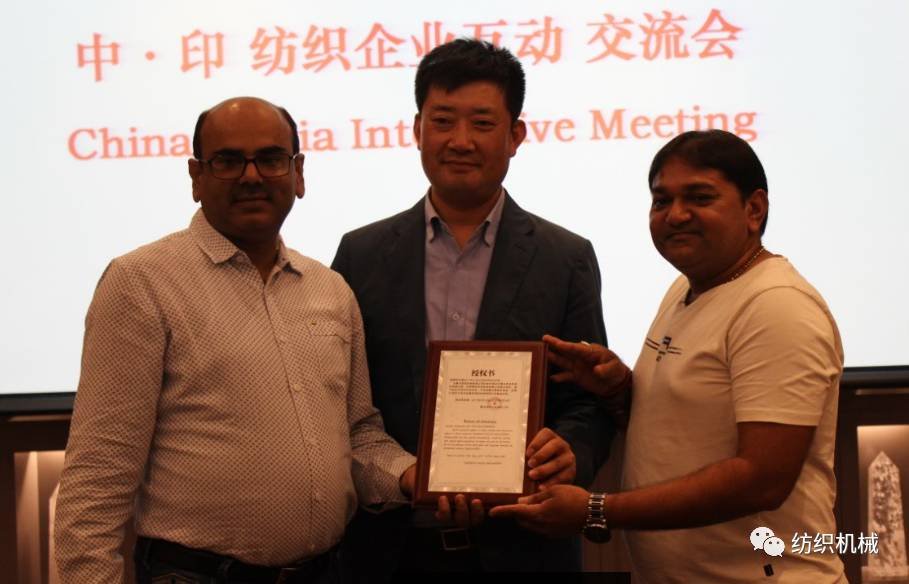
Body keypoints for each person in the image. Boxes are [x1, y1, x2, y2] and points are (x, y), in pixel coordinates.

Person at [54, 97, 416, 584]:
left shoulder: (330, 290)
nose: (251, 176)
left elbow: (359, 437)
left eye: (270, 159)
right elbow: (98, 475)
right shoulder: (142, 283)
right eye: (227, 161)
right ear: (196, 177)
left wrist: (414, 477)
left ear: (298, 173)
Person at [491, 130, 846, 582]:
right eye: (661, 201)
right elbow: (683, 429)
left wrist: (598, 509)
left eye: (699, 197)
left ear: (754, 209)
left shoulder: (777, 305)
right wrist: (618, 389)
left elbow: (762, 478)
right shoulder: (686, 288)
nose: (676, 215)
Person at [331, 39, 614, 576]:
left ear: (515, 136)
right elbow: (339, 401)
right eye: (443, 121)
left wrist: (572, 450)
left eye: (482, 124)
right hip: (388, 553)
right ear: (418, 130)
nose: (460, 141)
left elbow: (590, 402)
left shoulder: (566, 258)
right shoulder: (360, 255)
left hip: (525, 552)